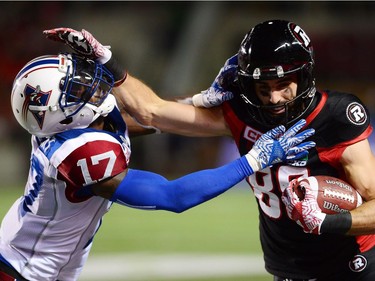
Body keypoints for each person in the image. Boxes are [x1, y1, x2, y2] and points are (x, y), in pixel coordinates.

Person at [45, 19, 375, 281]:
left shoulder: (337, 116)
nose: (273, 98)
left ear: (304, 76)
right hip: (289, 268)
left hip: (354, 263)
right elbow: (152, 112)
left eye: (282, 84)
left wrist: (330, 221)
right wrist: (109, 62)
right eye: (263, 87)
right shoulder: (240, 111)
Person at [0, 51, 314, 280]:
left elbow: (139, 119)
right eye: (75, 91)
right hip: (25, 270)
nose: (88, 89)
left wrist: (199, 102)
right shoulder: (78, 153)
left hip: (33, 253)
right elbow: (171, 196)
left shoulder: (67, 123)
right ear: (58, 113)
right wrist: (254, 159)